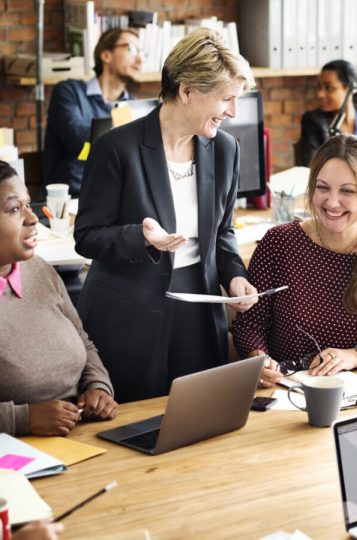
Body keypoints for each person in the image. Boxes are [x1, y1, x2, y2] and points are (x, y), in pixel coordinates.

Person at [73, 28, 259, 403]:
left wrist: (235, 276)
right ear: (187, 91)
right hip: (129, 311)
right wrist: (140, 237)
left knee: (197, 417)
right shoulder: (116, 148)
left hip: (198, 306)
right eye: (226, 99)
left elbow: (223, 231)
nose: (233, 112)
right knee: (131, 424)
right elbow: (87, 235)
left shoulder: (225, 150)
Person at [232, 134, 357, 387]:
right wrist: (259, 359)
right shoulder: (279, 242)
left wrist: (356, 356)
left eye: (347, 191)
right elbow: (249, 324)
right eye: (323, 188)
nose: (332, 202)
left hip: (352, 392)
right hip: (282, 390)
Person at [0, 161, 117, 436]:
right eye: (15, 209)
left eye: (28, 205)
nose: (32, 219)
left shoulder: (39, 268)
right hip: (18, 457)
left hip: (81, 435)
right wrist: (23, 419)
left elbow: (84, 344)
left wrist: (98, 387)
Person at [43, 28, 142, 195]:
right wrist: (130, 130)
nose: (139, 59)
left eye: (142, 53)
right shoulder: (69, 92)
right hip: (71, 197)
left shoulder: (130, 104)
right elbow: (77, 139)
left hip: (114, 196)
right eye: (131, 49)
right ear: (106, 55)